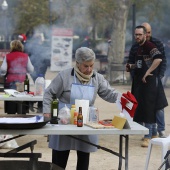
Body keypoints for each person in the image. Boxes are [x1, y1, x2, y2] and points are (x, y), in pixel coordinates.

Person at [43, 47, 120, 169]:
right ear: (77, 64)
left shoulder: (97, 78)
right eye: (85, 66)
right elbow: (49, 94)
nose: (89, 70)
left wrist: (122, 98)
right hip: (65, 121)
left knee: (84, 157)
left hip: (86, 122)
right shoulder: (64, 76)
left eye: (91, 66)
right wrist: (47, 112)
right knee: (59, 159)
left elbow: (109, 93)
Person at [126, 25, 168, 147]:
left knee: (149, 108)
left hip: (150, 83)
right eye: (136, 35)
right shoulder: (138, 48)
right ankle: (153, 133)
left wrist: (148, 72)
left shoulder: (150, 45)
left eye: (139, 34)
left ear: (145, 35)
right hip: (141, 83)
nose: (137, 37)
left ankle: (148, 136)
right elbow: (139, 64)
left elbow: (159, 59)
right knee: (143, 107)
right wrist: (131, 67)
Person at [0, 40, 34, 114]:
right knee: (22, 102)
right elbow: (31, 69)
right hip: (23, 82)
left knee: (11, 102)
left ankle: (11, 117)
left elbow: (3, 69)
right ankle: (22, 116)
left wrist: (3, 74)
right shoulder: (25, 56)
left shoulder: (8, 56)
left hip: (10, 82)